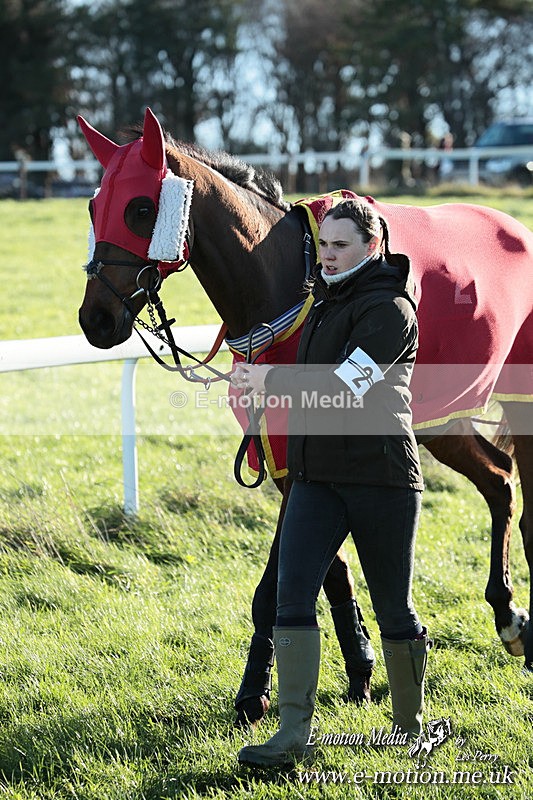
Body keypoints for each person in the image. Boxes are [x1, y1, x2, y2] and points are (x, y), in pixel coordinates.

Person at [232, 198, 430, 768]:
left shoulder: (391, 310)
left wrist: (273, 380)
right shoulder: (322, 303)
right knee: (292, 597)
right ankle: (292, 732)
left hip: (381, 480)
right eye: (323, 246)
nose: (328, 257)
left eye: (341, 246)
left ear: (373, 247)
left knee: (393, 609)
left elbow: (349, 387)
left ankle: (410, 729)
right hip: (316, 478)